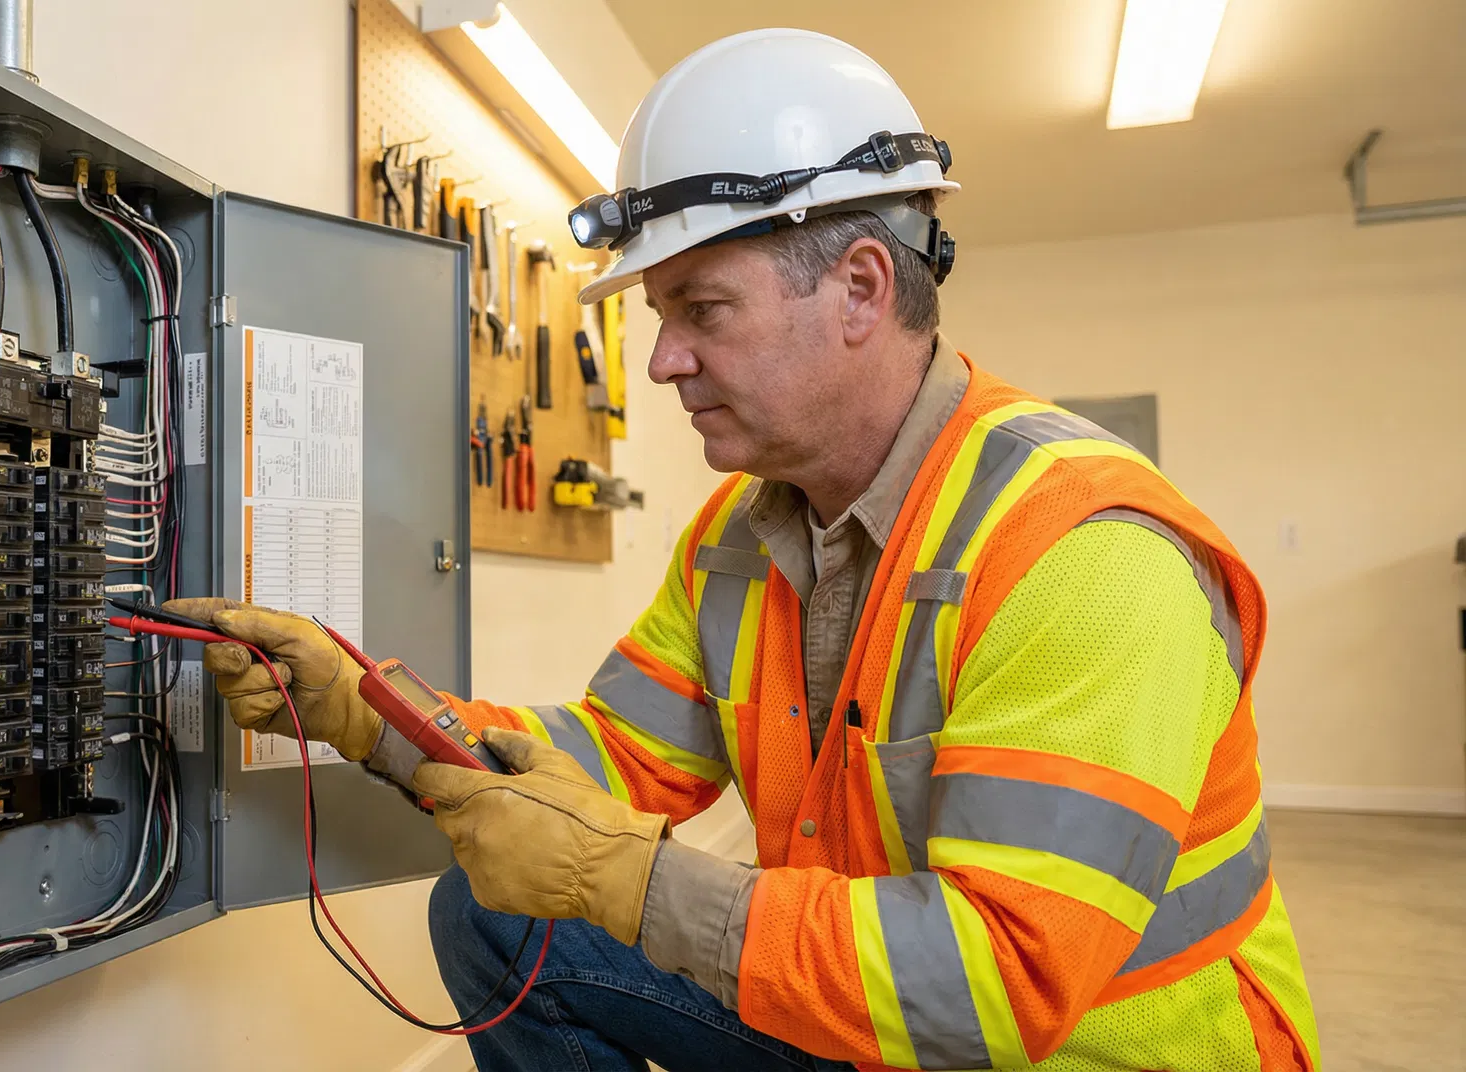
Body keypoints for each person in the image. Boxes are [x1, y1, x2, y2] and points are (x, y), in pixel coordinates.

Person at [167, 28, 1319, 1072]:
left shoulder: (1079, 554)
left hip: (1077, 1051)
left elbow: (998, 985)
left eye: (701, 309)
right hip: (869, 1015)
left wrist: (640, 881)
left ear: (862, 288)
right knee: (497, 916)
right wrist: (369, 710)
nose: (663, 361)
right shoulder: (739, 538)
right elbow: (606, 761)